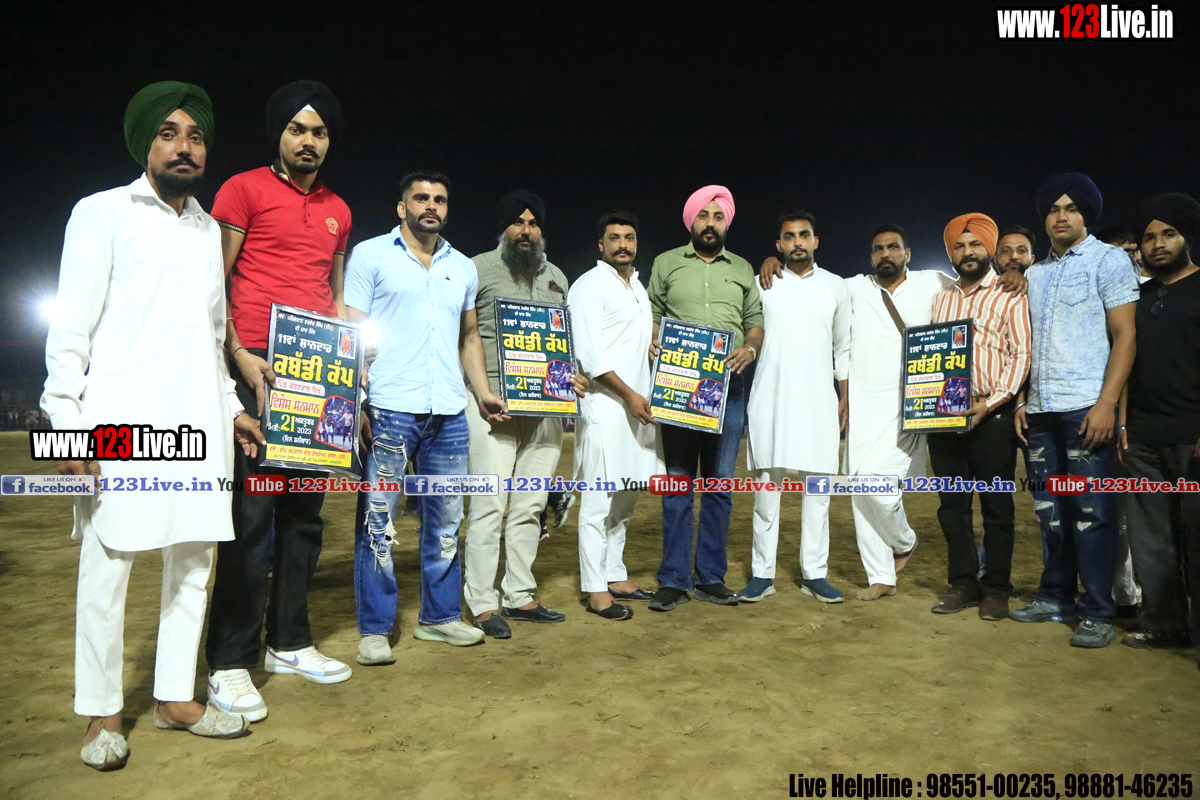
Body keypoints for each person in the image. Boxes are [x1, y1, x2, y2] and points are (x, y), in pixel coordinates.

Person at [42, 82, 260, 770]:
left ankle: (174, 698)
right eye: (169, 133)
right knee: (108, 564)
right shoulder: (101, 212)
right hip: (119, 424)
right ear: (145, 143)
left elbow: (212, 335)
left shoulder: (207, 230)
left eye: (196, 136)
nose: (184, 147)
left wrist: (231, 410)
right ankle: (101, 714)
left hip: (199, 421)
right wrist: (66, 425)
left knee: (193, 563)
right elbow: (69, 329)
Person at [206, 81, 354, 722]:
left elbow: (334, 295)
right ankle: (229, 661)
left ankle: (289, 642)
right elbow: (213, 283)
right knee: (252, 521)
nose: (308, 141)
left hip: (318, 375)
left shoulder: (339, 209)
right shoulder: (241, 190)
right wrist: (238, 354)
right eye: (298, 129)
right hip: (257, 369)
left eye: (319, 132)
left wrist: (350, 380)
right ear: (279, 134)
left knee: (304, 520)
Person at [348, 171, 509, 660]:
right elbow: (352, 331)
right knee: (378, 521)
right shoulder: (371, 255)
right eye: (421, 198)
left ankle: (440, 618)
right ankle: (375, 630)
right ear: (403, 207)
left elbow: (469, 336)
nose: (431, 205)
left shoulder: (461, 266)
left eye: (439, 198)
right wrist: (357, 400)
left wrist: (483, 392)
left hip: (449, 411)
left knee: (445, 520)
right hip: (389, 407)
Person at [1012, 172, 1139, 648]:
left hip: (1086, 407)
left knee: (1094, 514)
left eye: (1071, 208)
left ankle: (1098, 610)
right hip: (1040, 410)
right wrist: (1022, 400)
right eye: (1052, 209)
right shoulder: (1035, 274)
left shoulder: (1109, 260)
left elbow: (1126, 336)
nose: (1061, 217)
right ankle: (1055, 597)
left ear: (1088, 214)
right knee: (1050, 512)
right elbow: (1023, 343)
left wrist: (1107, 405)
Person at [464, 191, 584, 639]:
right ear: (503, 228)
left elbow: (562, 341)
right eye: (517, 222)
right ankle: (481, 602)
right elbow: (463, 336)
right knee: (489, 505)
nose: (526, 231)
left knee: (530, 505)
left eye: (533, 223)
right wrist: (481, 392)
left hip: (546, 407)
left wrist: (571, 375)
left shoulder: (556, 277)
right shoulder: (477, 269)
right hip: (491, 405)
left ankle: (519, 594)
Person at [646, 185, 764, 612]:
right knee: (678, 483)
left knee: (718, 486)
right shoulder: (666, 263)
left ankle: (711, 577)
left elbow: (754, 321)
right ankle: (673, 579)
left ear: (726, 223)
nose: (710, 223)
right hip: (679, 388)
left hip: (728, 389)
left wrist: (750, 348)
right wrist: (653, 340)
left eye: (718, 216)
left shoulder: (744, 268)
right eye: (703, 215)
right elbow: (652, 314)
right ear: (691, 221)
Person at [742, 210, 849, 604]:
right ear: (779, 245)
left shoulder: (836, 286)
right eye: (789, 237)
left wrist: (845, 394)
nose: (797, 242)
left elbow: (843, 346)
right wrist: (766, 265)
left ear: (816, 241)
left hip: (819, 401)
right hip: (770, 399)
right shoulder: (762, 283)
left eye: (804, 235)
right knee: (766, 493)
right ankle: (761, 574)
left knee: (818, 493)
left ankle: (814, 573)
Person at [927, 214, 1030, 621]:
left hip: (994, 415)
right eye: (959, 246)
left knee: (997, 506)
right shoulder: (941, 299)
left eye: (975, 245)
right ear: (951, 252)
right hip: (946, 416)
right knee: (952, 506)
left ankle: (996, 590)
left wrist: (993, 402)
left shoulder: (1010, 293)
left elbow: (1021, 354)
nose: (967, 252)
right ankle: (963, 585)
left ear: (988, 249)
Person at [568, 210, 664, 619]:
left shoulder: (637, 287)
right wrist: (628, 395)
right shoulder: (589, 286)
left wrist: (652, 348)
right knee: (597, 502)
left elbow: (630, 340)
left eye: (629, 237)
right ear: (601, 245)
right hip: (606, 407)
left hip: (637, 408)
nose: (622, 244)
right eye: (614, 238)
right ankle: (594, 589)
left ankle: (614, 573)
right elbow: (589, 356)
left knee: (626, 495)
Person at [1119, 193, 1200, 650]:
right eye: (1149, 237)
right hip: (1144, 440)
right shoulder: (1138, 298)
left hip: (1192, 438)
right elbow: (1125, 363)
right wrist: (1124, 425)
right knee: (1151, 540)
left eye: (1169, 234)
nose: (1158, 244)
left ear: (1187, 236)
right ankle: (1165, 625)